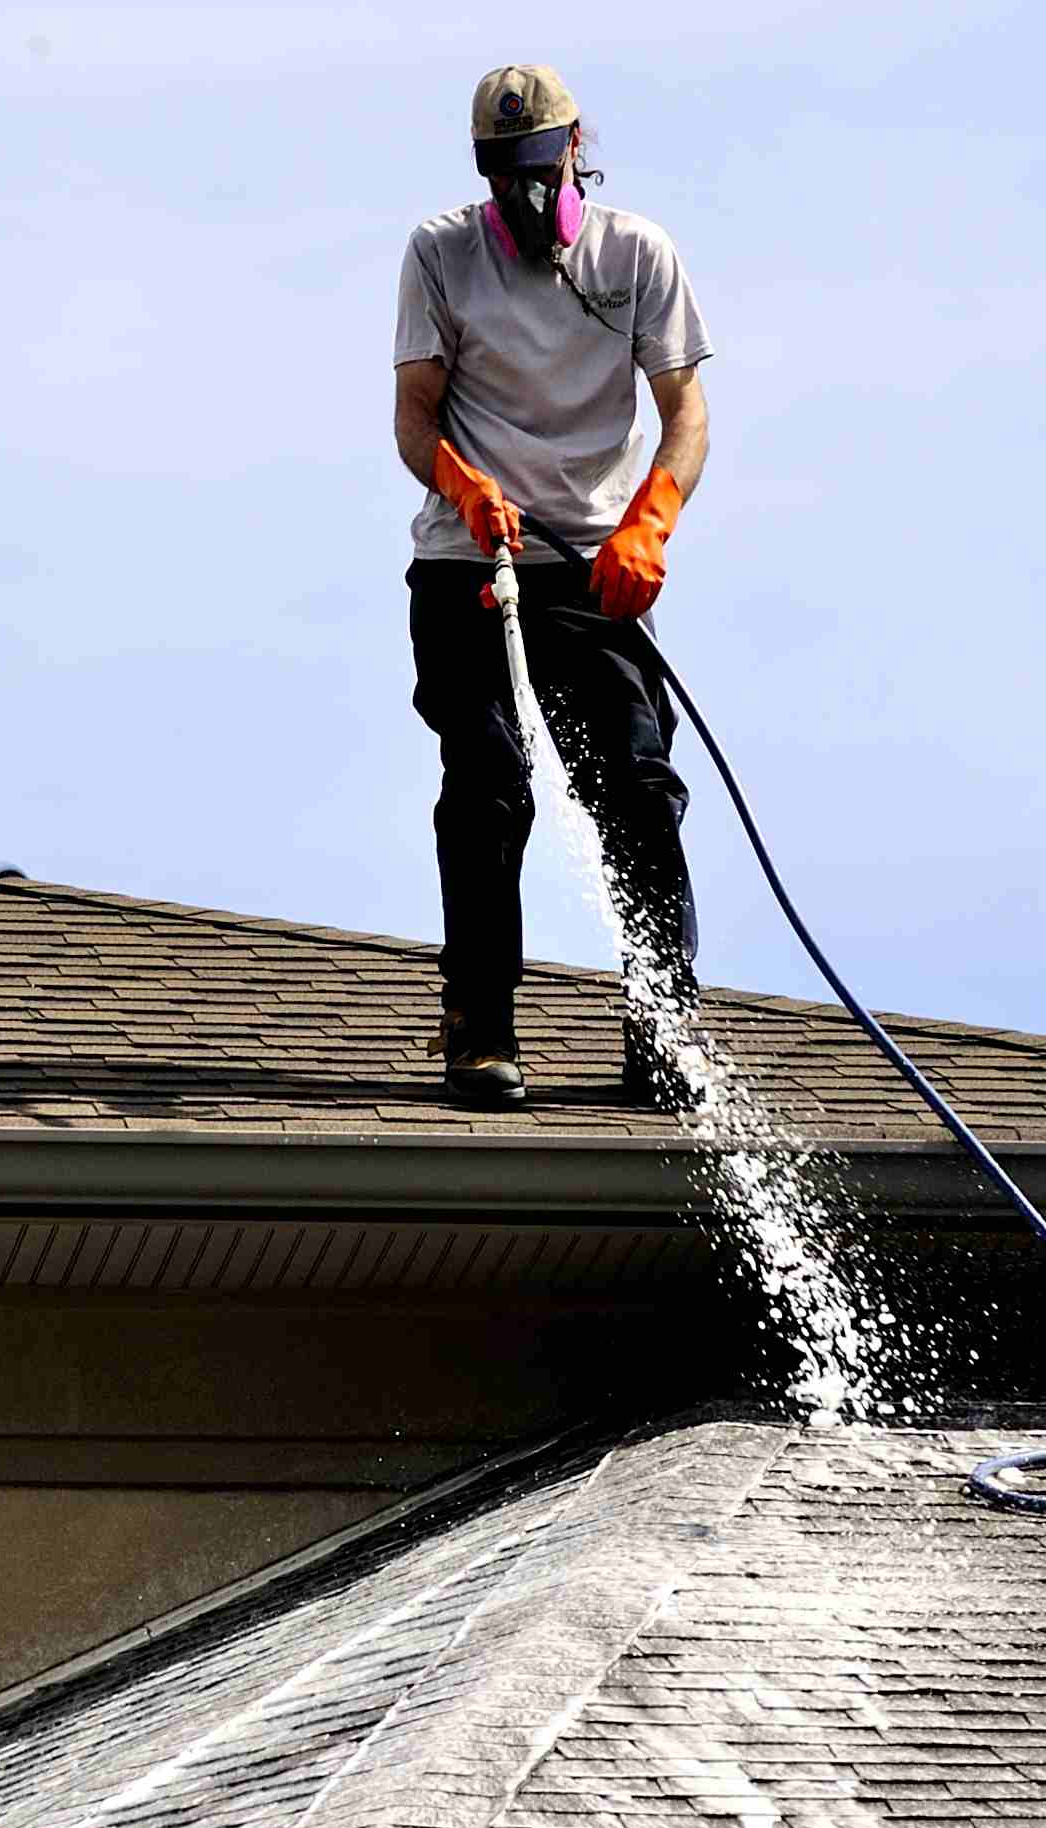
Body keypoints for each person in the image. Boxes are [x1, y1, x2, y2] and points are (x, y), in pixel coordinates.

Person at [393, 63, 713, 1108]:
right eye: (504, 175)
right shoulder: (441, 252)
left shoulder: (635, 255)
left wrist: (648, 524)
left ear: (574, 148)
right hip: (468, 564)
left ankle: (662, 1026)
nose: (526, 194)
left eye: (539, 169)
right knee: (487, 778)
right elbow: (414, 413)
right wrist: (462, 483)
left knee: (636, 785)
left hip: (594, 565)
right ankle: (477, 1029)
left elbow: (684, 412)